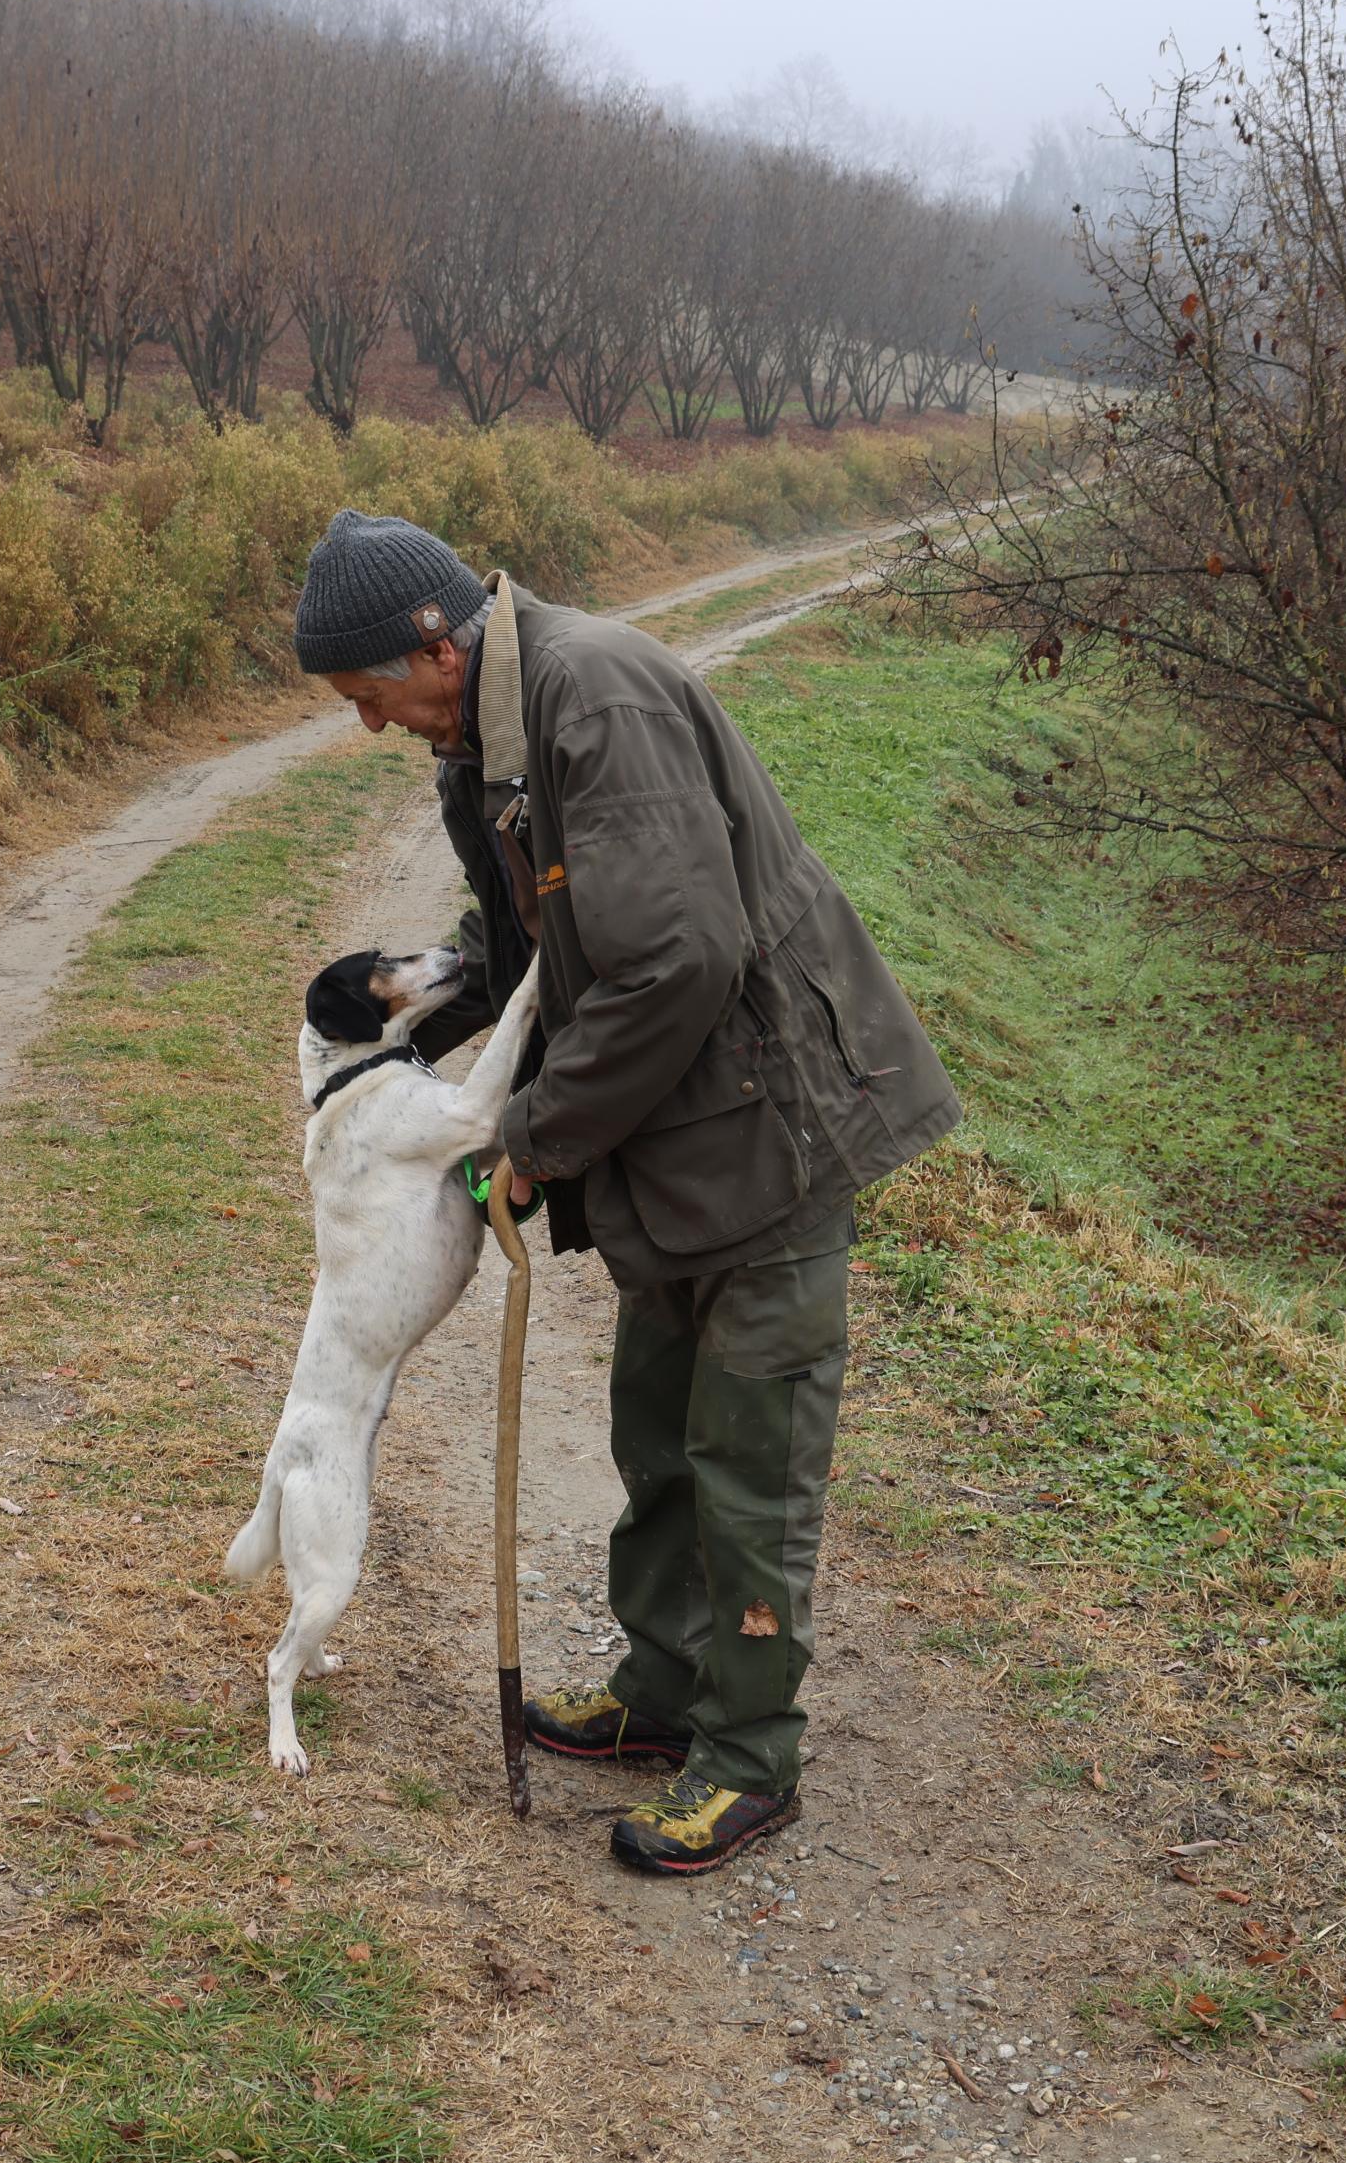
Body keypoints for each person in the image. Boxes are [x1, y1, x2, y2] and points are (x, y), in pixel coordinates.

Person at [291, 509, 961, 1875]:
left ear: (433, 644)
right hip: (678, 1136)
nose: (370, 724)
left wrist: (531, 1135)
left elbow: (678, 963)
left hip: (769, 1124)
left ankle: (749, 1756)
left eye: (369, 695)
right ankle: (663, 1693)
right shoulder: (484, 744)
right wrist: (385, 1054)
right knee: (657, 1423)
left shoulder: (591, 700)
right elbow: (517, 935)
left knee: (747, 1453)